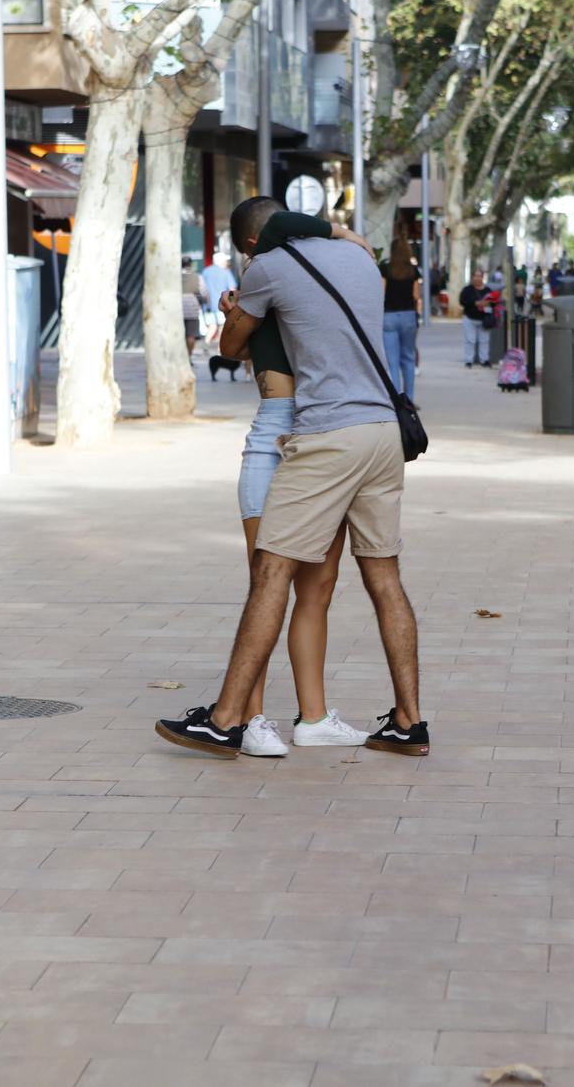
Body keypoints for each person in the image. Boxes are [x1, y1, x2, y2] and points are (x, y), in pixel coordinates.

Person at [158, 195, 426, 759]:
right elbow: (350, 240)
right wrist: (334, 227)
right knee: (384, 578)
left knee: (271, 572)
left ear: (255, 243)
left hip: (327, 434)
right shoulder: (359, 260)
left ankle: (226, 718)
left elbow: (231, 345)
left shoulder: (269, 269)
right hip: (384, 431)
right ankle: (408, 723)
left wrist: (240, 302)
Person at [215, 204, 375, 757]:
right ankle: (252, 719)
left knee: (318, 586)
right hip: (276, 435)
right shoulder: (262, 280)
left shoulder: (311, 269)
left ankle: (312, 717)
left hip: (325, 434)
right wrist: (237, 312)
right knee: (268, 582)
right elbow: (228, 347)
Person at [381, 234, 421, 400]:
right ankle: (409, 399)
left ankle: (396, 399)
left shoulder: (385, 268)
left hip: (388, 316)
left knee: (392, 361)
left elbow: (380, 293)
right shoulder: (413, 271)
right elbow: (416, 296)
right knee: (409, 358)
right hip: (408, 316)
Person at [459, 273, 493, 366]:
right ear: (472, 277)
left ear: (482, 278)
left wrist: (487, 303)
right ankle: (469, 360)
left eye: (480, 276)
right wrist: (476, 303)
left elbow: (494, 302)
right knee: (470, 340)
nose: (477, 278)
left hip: (484, 319)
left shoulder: (488, 290)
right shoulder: (467, 290)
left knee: (484, 340)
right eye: (475, 276)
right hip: (469, 318)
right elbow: (462, 301)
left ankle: (484, 360)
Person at [181, 256, 204, 355]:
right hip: (192, 307)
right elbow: (203, 291)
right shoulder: (197, 276)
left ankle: (181, 356)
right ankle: (188, 356)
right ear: (190, 264)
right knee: (191, 335)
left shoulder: (175, 276)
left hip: (178, 308)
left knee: (179, 334)